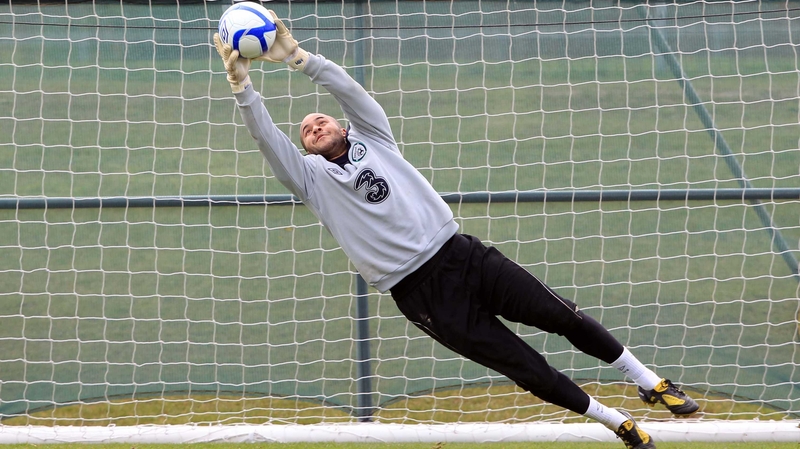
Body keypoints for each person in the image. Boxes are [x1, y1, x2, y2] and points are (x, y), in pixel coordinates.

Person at [213, 10, 699, 449]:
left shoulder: (375, 136)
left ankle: (648, 380)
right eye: (305, 131)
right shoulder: (311, 180)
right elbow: (267, 139)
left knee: (562, 316)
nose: (313, 125)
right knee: (527, 368)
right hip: (421, 296)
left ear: (341, 125)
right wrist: (243, 89)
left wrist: (299, 58)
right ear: (308, 150)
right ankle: (616, 423)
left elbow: (350, 92)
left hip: (462, 255)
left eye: (319, 119)